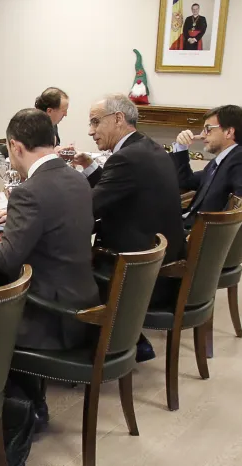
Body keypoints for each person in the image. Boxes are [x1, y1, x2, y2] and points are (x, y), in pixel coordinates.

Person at [0, 109, 98, 423]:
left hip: (49, 317)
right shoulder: (76, 179)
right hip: (81, 304)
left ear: (16, 147)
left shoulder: (30, 191)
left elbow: (7, 258)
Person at [71, 94, 185, 362]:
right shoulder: (149, 148)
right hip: (161, 261)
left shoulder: (126, 159)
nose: (91, 131)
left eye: (95, 122)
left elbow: (90, 208)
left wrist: (50, 198)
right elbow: (118, 192)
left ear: (118, 119)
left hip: (137, 273)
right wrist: (89, 169)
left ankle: (100, 341)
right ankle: (134, 338)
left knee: (62, 269)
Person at [171, 104, 242, 227]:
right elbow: (186, 181)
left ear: (228, 132)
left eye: (208, 128)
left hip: (196, 232)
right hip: (188, 222)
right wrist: (181, 148)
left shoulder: (241, 160)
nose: (202, 134)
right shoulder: (221, 160)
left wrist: (216, 231)